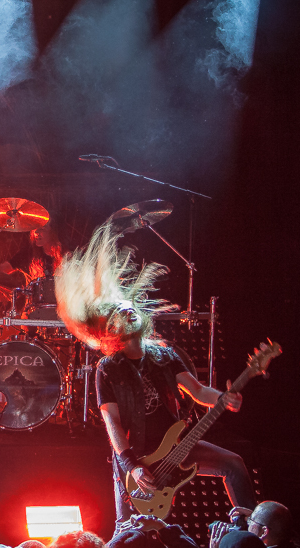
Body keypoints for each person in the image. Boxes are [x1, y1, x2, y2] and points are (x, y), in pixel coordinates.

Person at [53, 221, 256, 531]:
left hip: (175, 448)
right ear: (111, 329)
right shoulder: (108, 369)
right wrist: (131, 466)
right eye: (120, 311)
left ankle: (250, 534)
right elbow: (112, 423)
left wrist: (224, 398)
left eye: (129, 307)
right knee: (128, 534)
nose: (129, 310)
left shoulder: (165, 356)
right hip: (138, 459)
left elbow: (198, 391)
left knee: (234, 464)